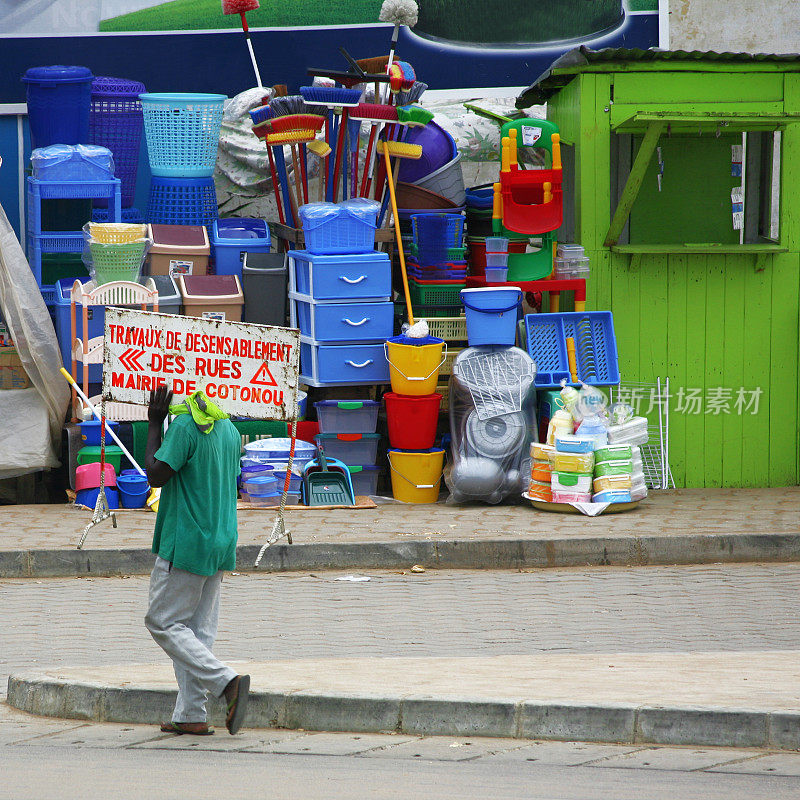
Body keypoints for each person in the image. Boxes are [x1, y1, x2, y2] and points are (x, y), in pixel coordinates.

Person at [143, 384, 250, 736]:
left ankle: (227, 682)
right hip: (219, 540)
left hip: (187, 542)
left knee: (163, 622)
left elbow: (155, 474)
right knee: (197, 632)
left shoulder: (187, 427)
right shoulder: (229, 429)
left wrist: (155, 423)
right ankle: (191, 713)